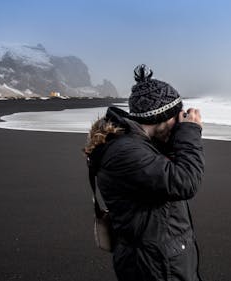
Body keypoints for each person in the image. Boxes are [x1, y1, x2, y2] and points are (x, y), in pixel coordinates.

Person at [84, 64, 204, 281]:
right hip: (154, 266)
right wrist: (190, 131)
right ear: (162, 117)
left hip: (161, 258)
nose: (180, 121)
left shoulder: (140, 144)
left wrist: (177, 137)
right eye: (177, 116)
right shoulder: (126, 152)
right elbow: (185, 182)